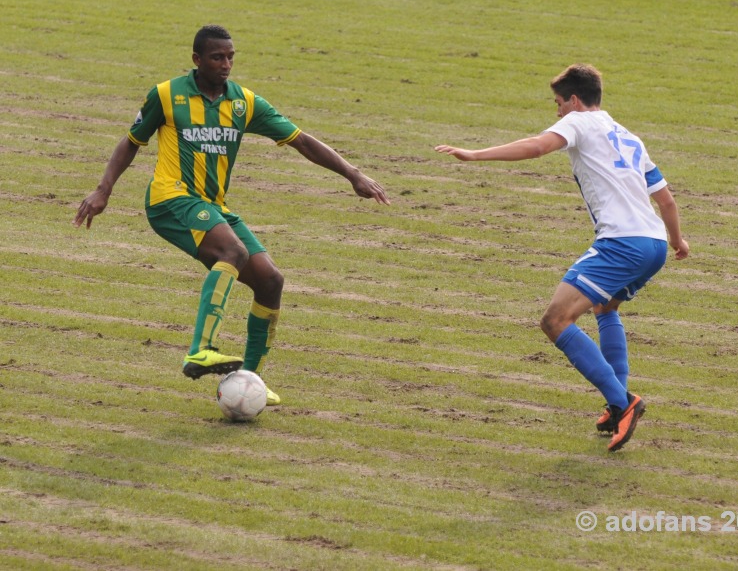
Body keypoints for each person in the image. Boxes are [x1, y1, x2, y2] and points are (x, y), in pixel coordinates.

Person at [74, 25, 390, 406]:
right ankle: (201, 349)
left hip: (211, 205)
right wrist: (103, 190)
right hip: (170, 200)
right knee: (233, 253)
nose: (226, 65)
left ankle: (250, 380)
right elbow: (131, 141)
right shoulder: (167, 94)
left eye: (230, 57)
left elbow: (301, 140)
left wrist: (352, 174)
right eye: (217, 57)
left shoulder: (244, 103)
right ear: (197, 60)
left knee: (271, 281)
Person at [435, 64, 688, 452]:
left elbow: (538, 146)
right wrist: (677, 241)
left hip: (622, 242)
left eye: (558, 104)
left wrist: (474, 154)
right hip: (653, 243)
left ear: (574, 100)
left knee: (555, 320)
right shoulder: (629, 136)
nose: (556, 114)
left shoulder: (581, 123)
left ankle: (625, 404)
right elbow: (666, 200)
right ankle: (615, 402)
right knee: (605, 309)